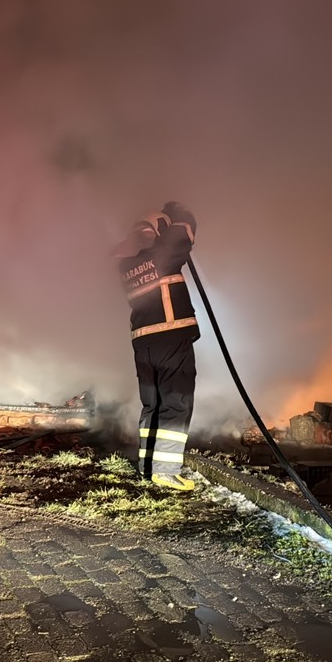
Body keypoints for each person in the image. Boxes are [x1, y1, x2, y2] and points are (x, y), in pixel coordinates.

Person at [112, 201, 199, 491]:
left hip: (144, 343)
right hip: (171, 337)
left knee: (153, 405)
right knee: (176, 403)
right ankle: (166, 471)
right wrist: (177, 213)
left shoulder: (126, 266)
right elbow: (185, 231)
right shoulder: (161, 255)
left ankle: (148, 466)